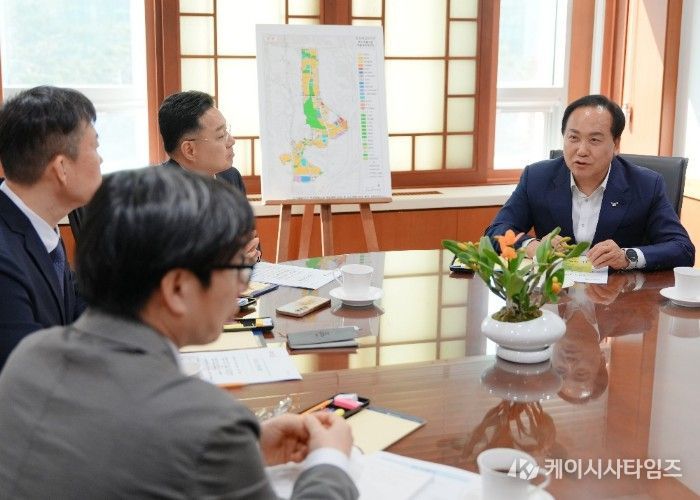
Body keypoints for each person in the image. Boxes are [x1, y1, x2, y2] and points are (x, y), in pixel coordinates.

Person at [0, 167, 357, 499]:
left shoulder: (27, 360)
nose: (242, 285)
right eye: (238, 267)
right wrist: (329, 461)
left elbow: (102, 455)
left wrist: (246, 451)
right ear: (177, 288)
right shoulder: (208, 425)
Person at [485, 94, 694, 271]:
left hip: (619, 297)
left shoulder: (646, 184)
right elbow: (496, 232)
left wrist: (626, 257)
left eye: (594, 140)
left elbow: (682, 249)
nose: (582, 150)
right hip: (556, 294)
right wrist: (533, 246)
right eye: (573, 138)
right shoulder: (537, 177)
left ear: (616, 144)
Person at [0, 86, 101, 371]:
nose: (101, 160)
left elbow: (74, 311)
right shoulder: (4, 260)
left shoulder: (38, 226)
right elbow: (30, 373)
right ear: (61, 168)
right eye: (95, 147)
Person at [158, 90, 260, 262]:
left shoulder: (231, 177)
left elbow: (251, 244)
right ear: (190, 150)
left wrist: (251, 256)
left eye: (227, 131)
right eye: (221, 136)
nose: (231, 141)